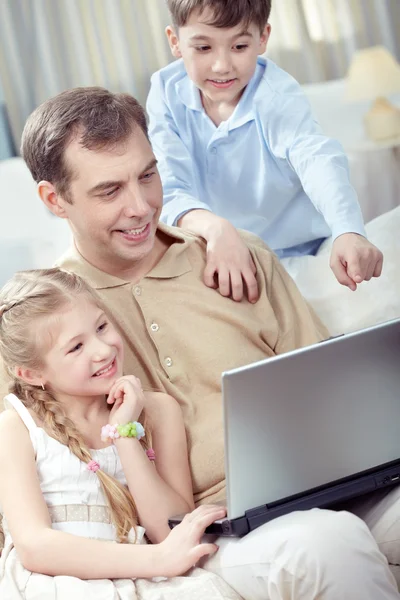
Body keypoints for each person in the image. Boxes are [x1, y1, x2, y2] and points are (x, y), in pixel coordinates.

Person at [5, 86, 400, 599]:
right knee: (330, 544)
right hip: (218, 529)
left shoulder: (236, 256)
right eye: (109, 191)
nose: (141, 206)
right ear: (54, 200)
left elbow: (337, 389)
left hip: (341, 484)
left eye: (147, 175)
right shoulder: (45, 326)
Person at [0, 267, 241, 599]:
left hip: (145, 576)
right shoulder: (17, 427)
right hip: (60, 584)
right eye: (75, 348)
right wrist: (156, 560)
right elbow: (36, 545)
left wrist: (125, 434)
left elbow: (167, 530)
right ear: (31, 373)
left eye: (102, 326)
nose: (102, 350)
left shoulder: (157, 411)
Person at [146, 0, 383, 302]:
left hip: (297, 249)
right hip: (215, 246)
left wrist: (348, 229)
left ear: (263, 38)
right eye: (204, 48)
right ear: (175, 42)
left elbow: (316, 159)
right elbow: (168, 185)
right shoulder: (166, 91)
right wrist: (217, 229)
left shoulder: (276, 96)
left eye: (239, 46)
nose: (222, 66)